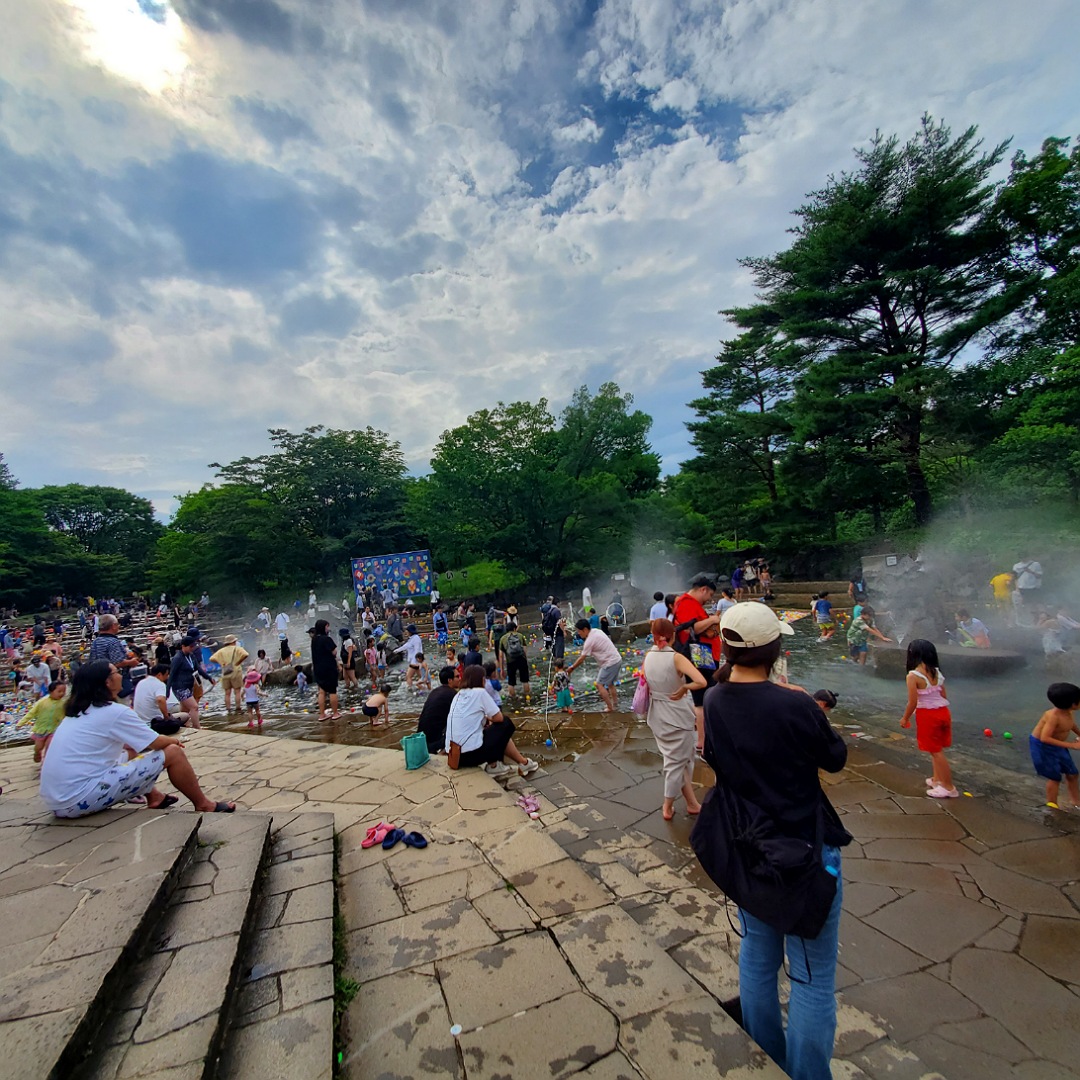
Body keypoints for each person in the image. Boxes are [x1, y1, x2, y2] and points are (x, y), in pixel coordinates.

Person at [701, 602, 849, 1080]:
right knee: (811, 977)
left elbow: (716, 755)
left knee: (758, 955)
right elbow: (835, 759)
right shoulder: (796, 704)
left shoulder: (717, 699)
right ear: (776, 648)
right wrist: (804, 705)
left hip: (749, 848)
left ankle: (767, 1053)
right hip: (803, 852)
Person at [39, 661, 235, 817]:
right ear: (107, 682)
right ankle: (204, 805)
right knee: (173, 753)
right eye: (116, 672)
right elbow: (157, 742)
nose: (120, 675)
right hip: (77, 801)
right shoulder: (113, 712)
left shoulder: (78, 712)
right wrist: (173, 741)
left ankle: (155, 797)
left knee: (129, 752)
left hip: (57, 801)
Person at [643, 618, 707, 820]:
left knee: (680, 760)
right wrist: (685, 688)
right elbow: (701, 681)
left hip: (657, 714)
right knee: (676, 763)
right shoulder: (676, 658)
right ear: (673, 635)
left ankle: (692, 803)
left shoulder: (648, 656)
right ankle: (667, 806)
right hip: (677, 715)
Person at [444, 665, 538, 778]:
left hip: (454, 757)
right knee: (506, 724)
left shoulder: (458, 695)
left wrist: (486, 719)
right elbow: (499, 718)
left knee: (493, 731)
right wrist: (489, 719)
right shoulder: (479, 692)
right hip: (470, 756)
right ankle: (494, 765)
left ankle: (523, 763)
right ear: (481, 680)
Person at [899, 639, 957, 798]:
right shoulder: (936, 672)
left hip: (928, 715)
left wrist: (905, 718)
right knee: (936, 749)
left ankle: (949, 787)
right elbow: (943, 694)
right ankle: (937, 779)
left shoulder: (913, 676)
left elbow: (913, 702)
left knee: (936, 752)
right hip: (943, 712)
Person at [673, 573, 722, 754]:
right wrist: (712, 620)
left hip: (703, 654)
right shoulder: (686, 602)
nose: (709, 600)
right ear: (703, 589)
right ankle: (703, 741)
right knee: (702, 699)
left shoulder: (687, 603)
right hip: (699, 654)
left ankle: (705, 736)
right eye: (709, 595)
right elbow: (691, 627)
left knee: (707, 695)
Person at [1030, 682, 1080, 809]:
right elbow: (1045, 738)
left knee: (1073, 773)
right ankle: (1052, 805)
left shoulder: (1068, 712)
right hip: (1043, 747)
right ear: (1072, 704)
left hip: (1058, 746)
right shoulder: (1053, 716)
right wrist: (1071, 745)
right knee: (1054, 777)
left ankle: (1076, 802)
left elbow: (1071, 724)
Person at [568, 619, 624, 713]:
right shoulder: (596, 631)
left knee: (599, 685)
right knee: (610, 684)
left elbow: (582, 659)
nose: (578, 633)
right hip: (617, 659)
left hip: (610, 663)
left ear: (585, 629)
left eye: (579, 631)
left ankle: (610, 707)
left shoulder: (589, 641)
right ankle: (615, 704)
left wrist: (572, 668)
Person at [88, 614, 139, 701]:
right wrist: (131, 662)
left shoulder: (96, 641)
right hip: (115, 682)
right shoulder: (113, 642)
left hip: (101, 681)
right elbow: (117, 663)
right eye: (117, 624)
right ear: (113, 626)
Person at [168, 636, 210, 729]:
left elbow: (198, 669)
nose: (192, 648)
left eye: (193, 646)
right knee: (194, 707)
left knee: (185, 711)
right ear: (183, 646)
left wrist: (209, 678)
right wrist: (167, 691)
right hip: (179, 687)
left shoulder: (191, 656)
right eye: (190, 646)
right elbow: (172, 674)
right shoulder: (177, 658)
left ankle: (182, 725)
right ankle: (197, 727)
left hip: (188, 686)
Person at [133, 663, 186, 734]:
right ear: (159, 675)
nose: (167, 677)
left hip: (141, 721)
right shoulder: (159, 684)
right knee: (185, 716)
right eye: (166, 675)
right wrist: (166, 717)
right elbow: (160, 700)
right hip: (154, 723)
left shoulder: (141, 682)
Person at [417, 666, 458, 751]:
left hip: (421, 740)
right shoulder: (452, 694)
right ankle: (443, 752)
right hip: (435, 742)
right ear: (450, 680)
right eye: (457, 677)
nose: (460, 678)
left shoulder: (435, 691)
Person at [27, 681, 67, 763]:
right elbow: (31, 713)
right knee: (38, 747)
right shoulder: (42, 702)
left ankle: (46, 764)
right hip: (41, 729)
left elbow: (66, 716)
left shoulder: (63, 704)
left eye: (64, 691)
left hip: (54, 729)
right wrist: (20, 723)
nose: (62, 694)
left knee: (50, 748)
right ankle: (37, 753)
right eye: (59, 691)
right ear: (51, 691)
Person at [309, 620, 341, 720]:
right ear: (323, 627)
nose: (328, 629)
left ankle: (322, 715)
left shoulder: (314, 639)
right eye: (327, 626)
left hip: (318, 668)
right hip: (328, 668)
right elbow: (334, 652)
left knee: (321, 691)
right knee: (332, 690)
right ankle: (335, 713)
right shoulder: (326, 639)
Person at [209, 635, 249, 711]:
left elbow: (211, 658)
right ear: (234, 642)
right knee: (237, 692)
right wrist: (238, 662)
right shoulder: (237, 648)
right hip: (236, 671)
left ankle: (228, 709)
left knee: (227, 693)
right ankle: (238, 707)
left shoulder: (221, 651)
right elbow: (246, 654)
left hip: (225, 672)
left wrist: (221, 663)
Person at [500, 623, 531, 705]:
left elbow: (500, 655)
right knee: (525, 680)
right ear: (514, 628)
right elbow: (524, 650)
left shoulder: (503, 638)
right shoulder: (520, 636)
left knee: (511, 682)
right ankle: (527, 696)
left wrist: (502, 668)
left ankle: (513, 699)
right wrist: (525, 660)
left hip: (510, 661)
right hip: (521, 660)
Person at [393, 624, 425, 690]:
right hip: (416, 661)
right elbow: (406, 646)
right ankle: (424, 688)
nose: (406, 633)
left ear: (410, 631)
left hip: (415, 662)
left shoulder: (416, 638)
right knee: (421, 677)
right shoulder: (412, 639)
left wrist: (417, 661)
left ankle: (410, 689)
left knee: (408, 676)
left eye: (407, 631)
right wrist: (396, 651)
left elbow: (417, 649)